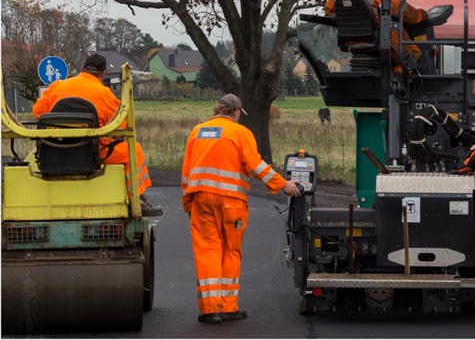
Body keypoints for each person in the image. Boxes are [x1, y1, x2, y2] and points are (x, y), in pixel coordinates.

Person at [181, 93, 301, 324]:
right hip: (230, 202)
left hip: (200, 200)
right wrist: (282, 184)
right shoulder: (240, 133)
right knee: (230, 251)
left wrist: (188, 203)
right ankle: (227, 307)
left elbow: (186, 172)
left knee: (207, 251)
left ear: (217, 110)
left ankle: (209, 310)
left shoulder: (197, 132)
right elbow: (256, 165)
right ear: (236, 112)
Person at [33, 54, 162, 216]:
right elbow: (121, 124)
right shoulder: (104, 93)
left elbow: (38, 112)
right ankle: (137, 199)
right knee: (133, 150)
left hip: (53, 150)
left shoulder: (57, 86)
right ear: (103, 74)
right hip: (91, 152)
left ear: (82, 69)